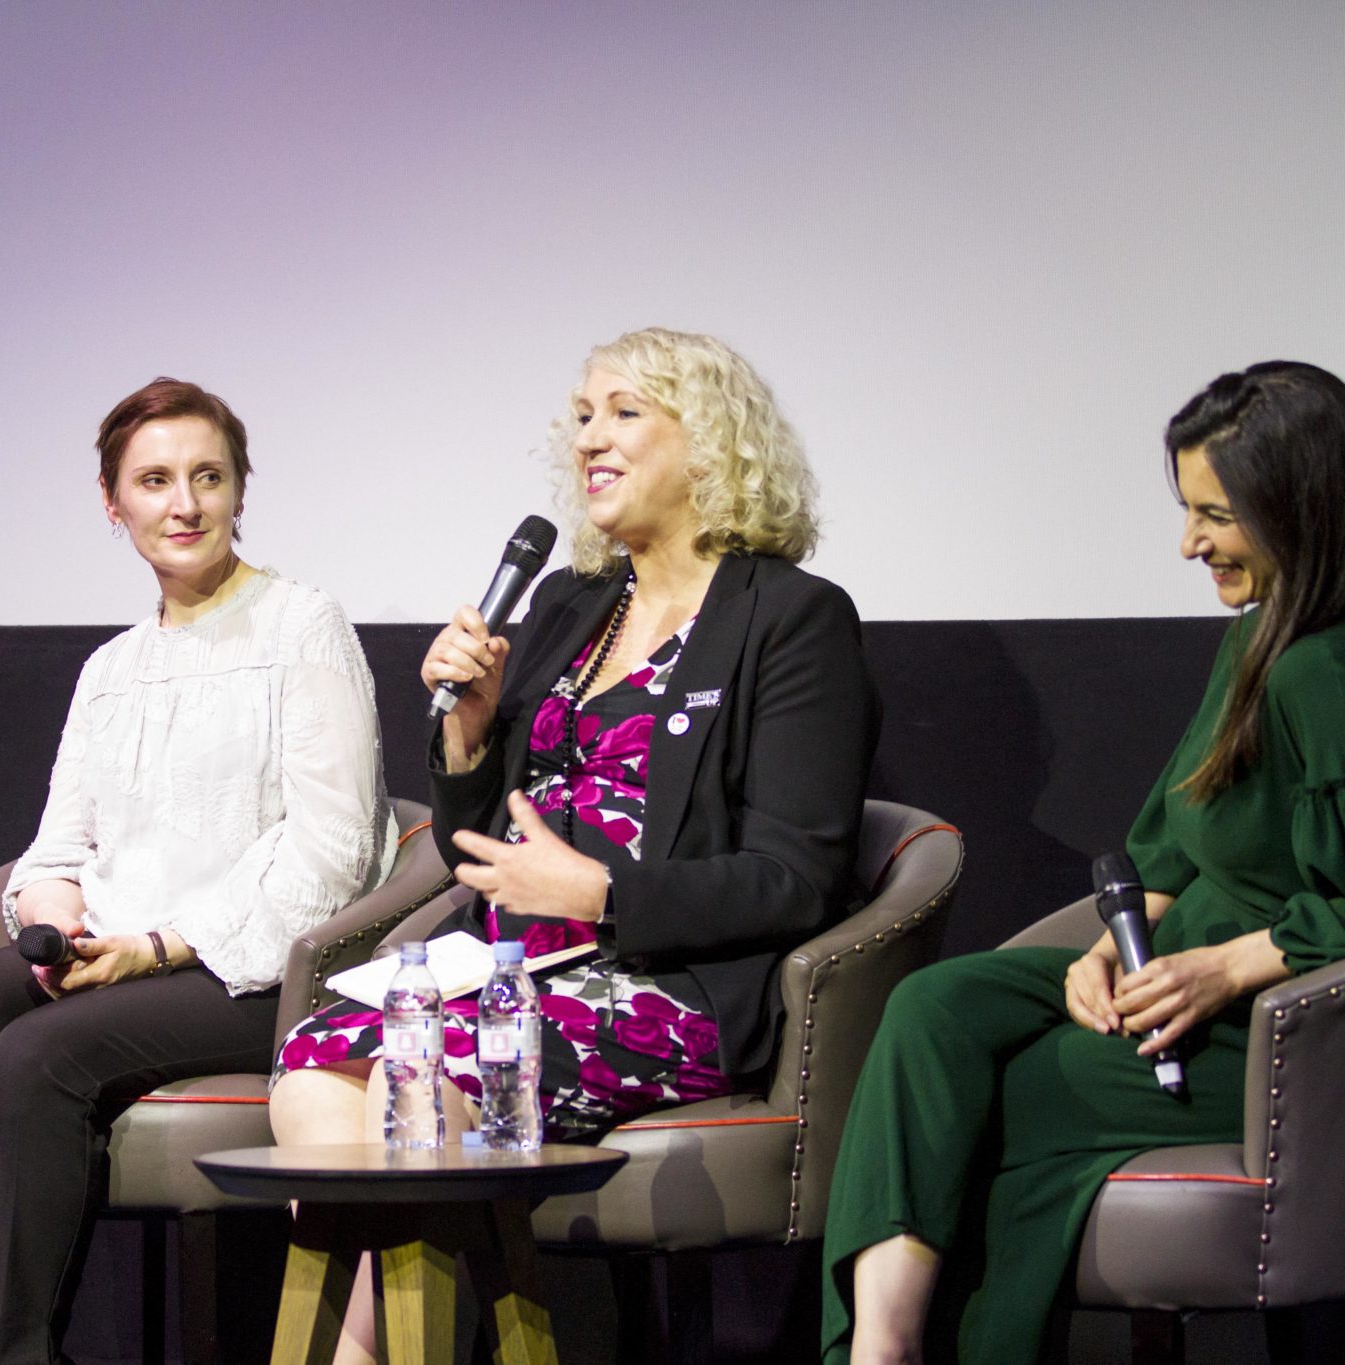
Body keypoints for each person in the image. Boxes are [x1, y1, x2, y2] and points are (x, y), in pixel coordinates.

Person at [271, 327, 881, 1364]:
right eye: (582, 418)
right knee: (312, 1061)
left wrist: (601, 894)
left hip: (658, 981)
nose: (589, 440)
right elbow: (473, 843)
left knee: (412, 1077)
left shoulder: (789, 619)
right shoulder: (570, 605)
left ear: (710, 442)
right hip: (504, 962)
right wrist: (466, 732)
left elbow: (795, 880)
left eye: (623, 413)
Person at [0, 377, 396, 1365]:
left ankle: (15, 1352)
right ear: (114, 504)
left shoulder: (302, 626)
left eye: (205, 477)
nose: (181, 503)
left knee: (34, 1056)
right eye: (153, 480)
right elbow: (56, 850)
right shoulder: (110, 669)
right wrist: (52, 921)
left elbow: (333, 856)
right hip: (121, 956)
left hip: (254, 972)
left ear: (237, 491)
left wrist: (154, 946)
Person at [821, 361, 1345, 1364]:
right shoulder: (1254, 646)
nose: (1187, 542)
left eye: (1215, 516)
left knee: (1004, 1099)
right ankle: (875, 1354)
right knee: (933, 1011)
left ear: (1299, 508)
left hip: (1280, 1011)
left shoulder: (1324, 671)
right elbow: (1164, 844)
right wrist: (1110, 944)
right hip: (1171, 964)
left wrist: (1227, 966)